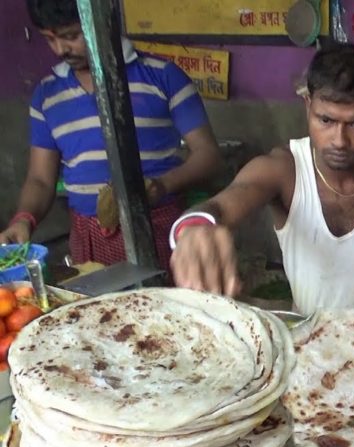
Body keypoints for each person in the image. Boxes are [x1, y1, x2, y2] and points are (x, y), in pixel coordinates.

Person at [169, 43, 354, 314]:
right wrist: (197, 225)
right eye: (326, 120)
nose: (339, 141)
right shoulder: (285, 170)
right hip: (306, 341)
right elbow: (229, 200)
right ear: (308, 106)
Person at [0, 0, 222, 272]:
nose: (60, 49)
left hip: (158, 225)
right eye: (50, 39)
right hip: (87, 237)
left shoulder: (163, 77)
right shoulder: (47, 95)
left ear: (103, 24)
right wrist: (24, 219)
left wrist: (161, 185)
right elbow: (40, 180)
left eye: (71, 36)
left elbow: (208, 155)